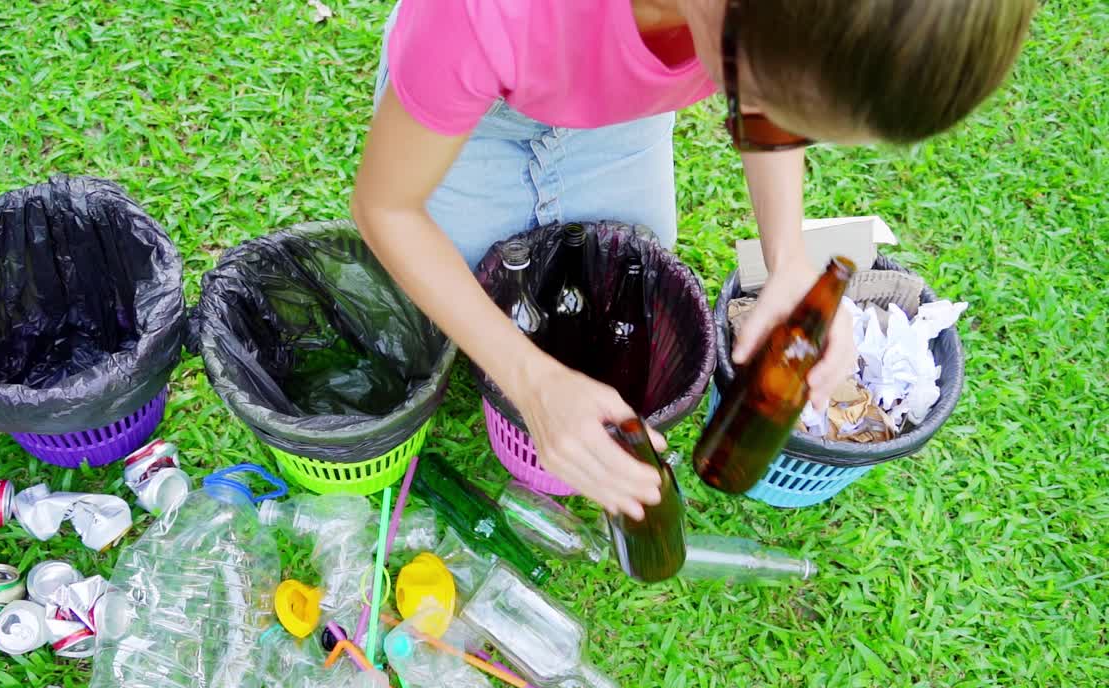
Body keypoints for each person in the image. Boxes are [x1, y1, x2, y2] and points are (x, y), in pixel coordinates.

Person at [351, 0, 1034, 519]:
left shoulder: (759, 26)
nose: (762, 114)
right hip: (480, 114)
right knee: (459, 314)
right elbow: (387, 209)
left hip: (619, 114)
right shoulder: (485, 15)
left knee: (620, 280)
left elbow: (775, 89)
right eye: (761, 93)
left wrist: (789, 258)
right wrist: (530, 383)